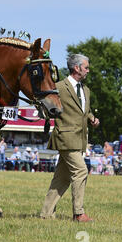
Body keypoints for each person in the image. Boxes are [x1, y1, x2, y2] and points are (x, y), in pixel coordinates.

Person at [40, 54, 100, 222]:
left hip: (80, 139)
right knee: (81, 171)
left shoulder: (85, 90)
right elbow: (45, 106)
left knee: (62, 178)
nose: (88, 70)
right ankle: (78, 213)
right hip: (65, 138)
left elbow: (84, 111)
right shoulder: (58, 87)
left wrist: (92, 118)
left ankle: (46, 213)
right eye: (86, 67)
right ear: (77, 68)